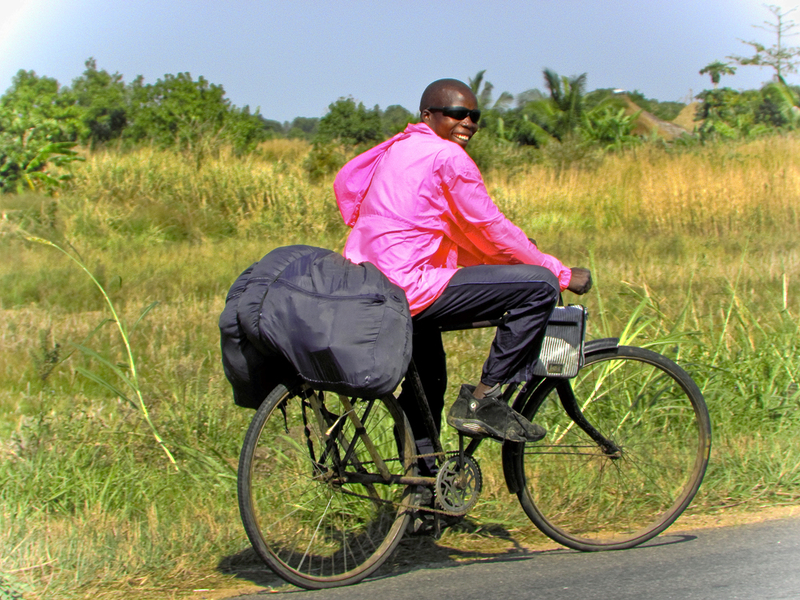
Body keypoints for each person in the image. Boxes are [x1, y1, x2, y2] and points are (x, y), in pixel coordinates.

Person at [334, 78, 592, 453]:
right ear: (427, 115)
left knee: (430, 382)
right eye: (457, 113)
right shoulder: (447, 157)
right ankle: (483, 401)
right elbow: (490, 227)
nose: (468, 122)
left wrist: (514, 255)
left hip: (371, 283)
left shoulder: (399, 148)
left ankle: (422, 491)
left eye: (475, 115)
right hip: (410, 286)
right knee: (539, 286)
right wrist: (560, 271)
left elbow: (450, 232)